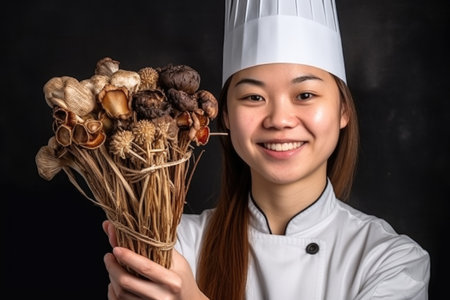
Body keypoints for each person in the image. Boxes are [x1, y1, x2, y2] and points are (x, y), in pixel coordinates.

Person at [103, 0, 431, 299]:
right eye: (253, 97)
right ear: (225, 116)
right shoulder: (175, 245)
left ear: (343, 110)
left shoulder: (391, 261)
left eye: (305, 95)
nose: (279, 120)